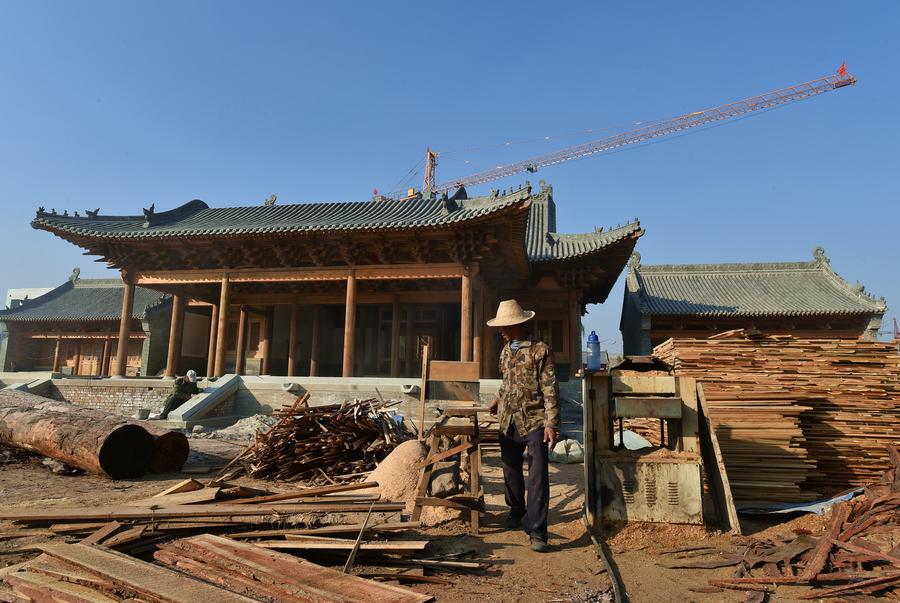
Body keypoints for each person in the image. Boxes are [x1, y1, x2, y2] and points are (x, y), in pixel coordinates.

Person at [487, 299, 560, 553]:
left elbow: (550, 389)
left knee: (538, 476)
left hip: (535, 421)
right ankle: (516, 510)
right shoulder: (506, 350)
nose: (501, 330)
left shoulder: (541, 351)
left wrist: (551, 423)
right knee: (510, 469)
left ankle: (538, 530)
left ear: (519, 324)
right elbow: (507, 381)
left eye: (505, 326)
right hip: (508, 420)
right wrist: (497, 398)